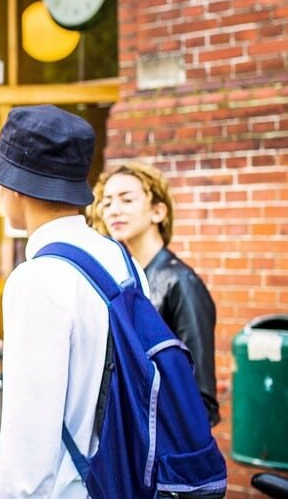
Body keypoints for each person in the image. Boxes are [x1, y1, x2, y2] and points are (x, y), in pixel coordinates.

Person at [0, 105, 148, 498]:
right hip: (127, 480)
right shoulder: (123, 261)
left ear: (16, 187)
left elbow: (29, 438)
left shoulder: (37, 280)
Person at [89, 161, 220, 426]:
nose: (114, 210)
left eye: (126, 200)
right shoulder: (122, 279)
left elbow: (201, 398)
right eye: (107, 202)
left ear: (158, 211)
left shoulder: (181, 282)